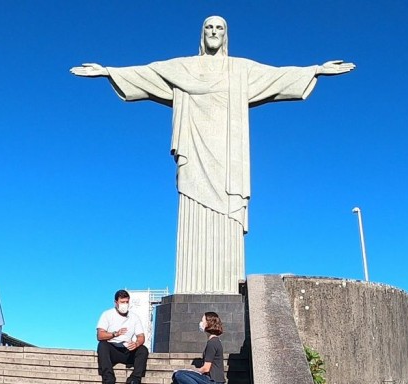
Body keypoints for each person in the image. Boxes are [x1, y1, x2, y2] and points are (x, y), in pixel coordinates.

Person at [70, 16, 355, 295]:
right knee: (192, 207)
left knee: (227, 214)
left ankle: (226, 285)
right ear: (202, 33)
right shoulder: (183, 67)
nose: (214, 31)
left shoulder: (240, 70)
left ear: (226, 34)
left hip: (229, 157)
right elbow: (148, 73)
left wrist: (315, 69)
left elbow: (278, 75)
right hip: (194, 152)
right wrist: (108, 71)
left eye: (220, 27)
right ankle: (192, 285)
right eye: (209, 27)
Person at [96, 289, 149, 384]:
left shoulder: (134, 317)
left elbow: (141, 336)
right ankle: (109, 380)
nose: (125, 304)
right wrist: (115, 334)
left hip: (127, 350)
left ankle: (133, 381)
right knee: (102, 345)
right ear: (116, 302)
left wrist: (136, 343)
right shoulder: (107, 314)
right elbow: (100, 335)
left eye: (126, 302)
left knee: (143, 349)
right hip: (112, 348)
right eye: (122, 302)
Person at [172, 312, 226, 384]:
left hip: (214, 383)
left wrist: (192, 371)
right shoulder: (214, 342)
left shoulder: (212, 343)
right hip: (213, 382)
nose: (200, 323)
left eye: (203, 321)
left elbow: (206, 368)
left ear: (208, 323)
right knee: (176, 376)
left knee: (179, 374)